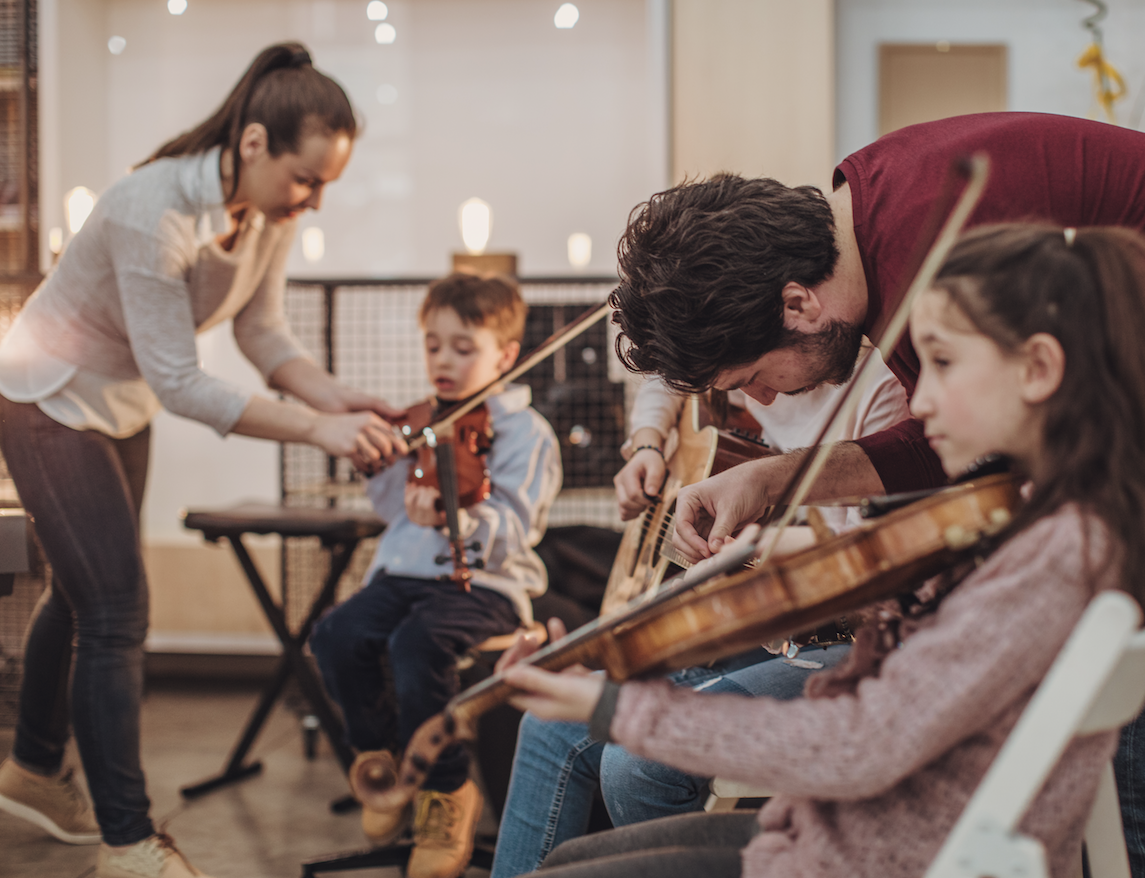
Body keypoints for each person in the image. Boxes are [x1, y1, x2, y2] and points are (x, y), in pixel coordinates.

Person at [608, 113, 1145, 877]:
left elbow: (960, 457)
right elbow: (954, 444)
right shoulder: (871, 207)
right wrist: (769, 477)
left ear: (797, 305)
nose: (758, 396)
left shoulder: (930, 254)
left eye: (749, 376)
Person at [498, 224, 1145, 878]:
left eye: (945, 365)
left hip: (877, 853)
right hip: (870, 836)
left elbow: (862, 742)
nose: (920, 403)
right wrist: (828, 572)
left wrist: (614, 705)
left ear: (1040, 370)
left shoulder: (1054, 552)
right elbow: (951, 663)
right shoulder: (1046, 520)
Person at [0, 43, 407, 878]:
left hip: (120, 402)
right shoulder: (152, 210)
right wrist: (312, 431)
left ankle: (34, 771)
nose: (315, 200)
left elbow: (261, 334)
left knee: (83, 598)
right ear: (254, 144)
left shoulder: (264, 214)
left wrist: (337, 399)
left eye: (327, 184)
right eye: (307, 179)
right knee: (116, 611)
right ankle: (127, 840)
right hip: (46, 397)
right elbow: (183, 383)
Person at [489, 351, 906, 878]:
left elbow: (876, 555)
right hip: (783, 628)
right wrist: (647, 444)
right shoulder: (736, 359)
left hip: (846, 639)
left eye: (750, 375)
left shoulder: (881, 392)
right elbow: (670, 377)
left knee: (633, 765)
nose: (753, 398)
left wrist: (751, 554)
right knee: (547, 725)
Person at [310, 272, 562, 878]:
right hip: (405, 572)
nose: (443, 361)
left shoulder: (525, 432)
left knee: (416, 645)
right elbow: (394, 511)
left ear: (504, 355)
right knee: (335, 634)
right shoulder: (422, 420)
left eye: (463, 347)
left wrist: (462, 518)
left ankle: (446, 792)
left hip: (485, 583)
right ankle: (382, 759)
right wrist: (381, 466)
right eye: (433, 344)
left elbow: (519, 526)